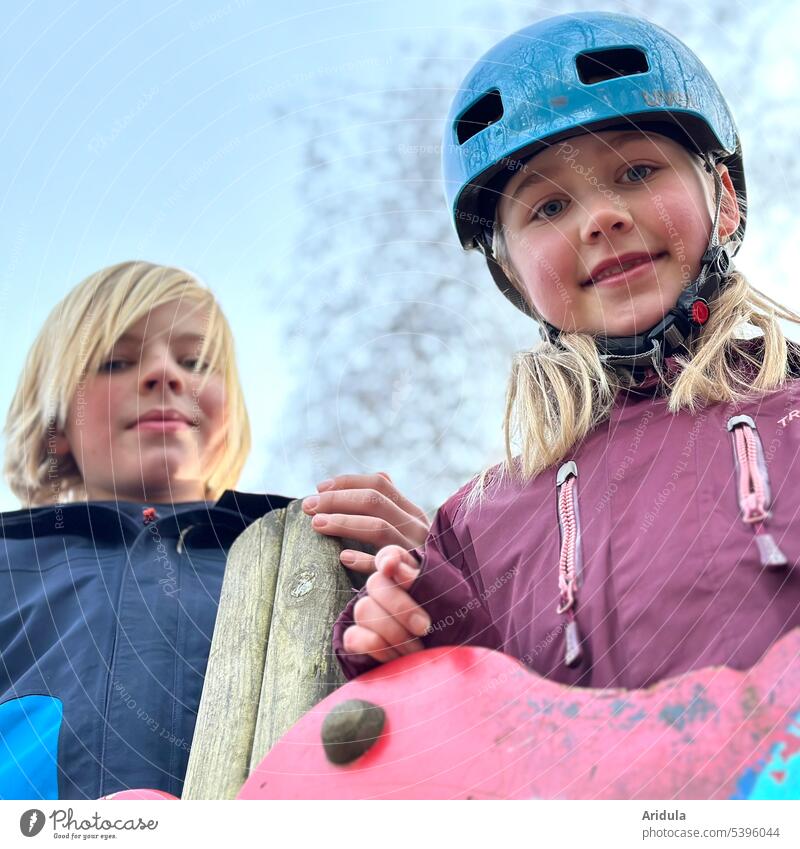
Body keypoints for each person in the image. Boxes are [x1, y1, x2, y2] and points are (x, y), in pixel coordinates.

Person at [333, 11, 800, 686]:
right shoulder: (476, 528)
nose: (600, 217)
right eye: (548, 208)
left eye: (638, 170)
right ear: (513, 276)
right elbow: (470, 729)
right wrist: (408, 639)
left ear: (723, 199)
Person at [0, 260, 429, 799]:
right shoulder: (9, 563)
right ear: (57, 425)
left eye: (196, 360)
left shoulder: (319, 554)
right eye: (116, 361)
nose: (166, 375)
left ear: (227, 416)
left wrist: (441, 595)